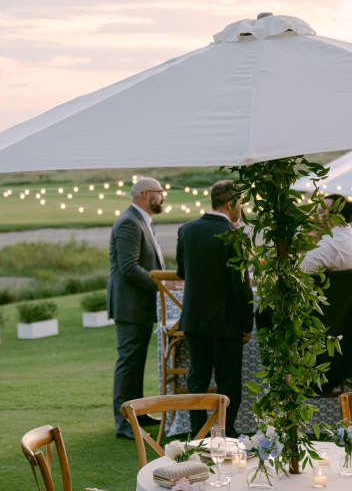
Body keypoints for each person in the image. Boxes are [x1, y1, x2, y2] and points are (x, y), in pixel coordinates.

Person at [176, 179, 253, 438]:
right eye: (241, 203)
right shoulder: (235, 235)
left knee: (197, 378)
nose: (242, 208)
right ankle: (225, 433)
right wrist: (247, 323)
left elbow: (182, 272)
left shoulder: (186, 230)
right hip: (226, 320)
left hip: (194, 318)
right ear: (230, 203)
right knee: (228, 381)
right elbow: (241, 286)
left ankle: (198, 434)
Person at [107, 177, 166, 438]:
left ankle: (138, 414)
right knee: (129, 363)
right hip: (130, 305)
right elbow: (129, 268)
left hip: (139, 305)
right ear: (146, 194)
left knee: (137, 362)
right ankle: (124, 424)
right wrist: (162, 286)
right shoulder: (129, 222)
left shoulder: (141, 220)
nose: (163, 197)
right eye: (160, 192)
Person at [300, 195, 352, 274]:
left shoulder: (330, 244)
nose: (315, 217)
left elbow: (299, 270)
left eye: (320, 212)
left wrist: (304, 244)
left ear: (336, 217)